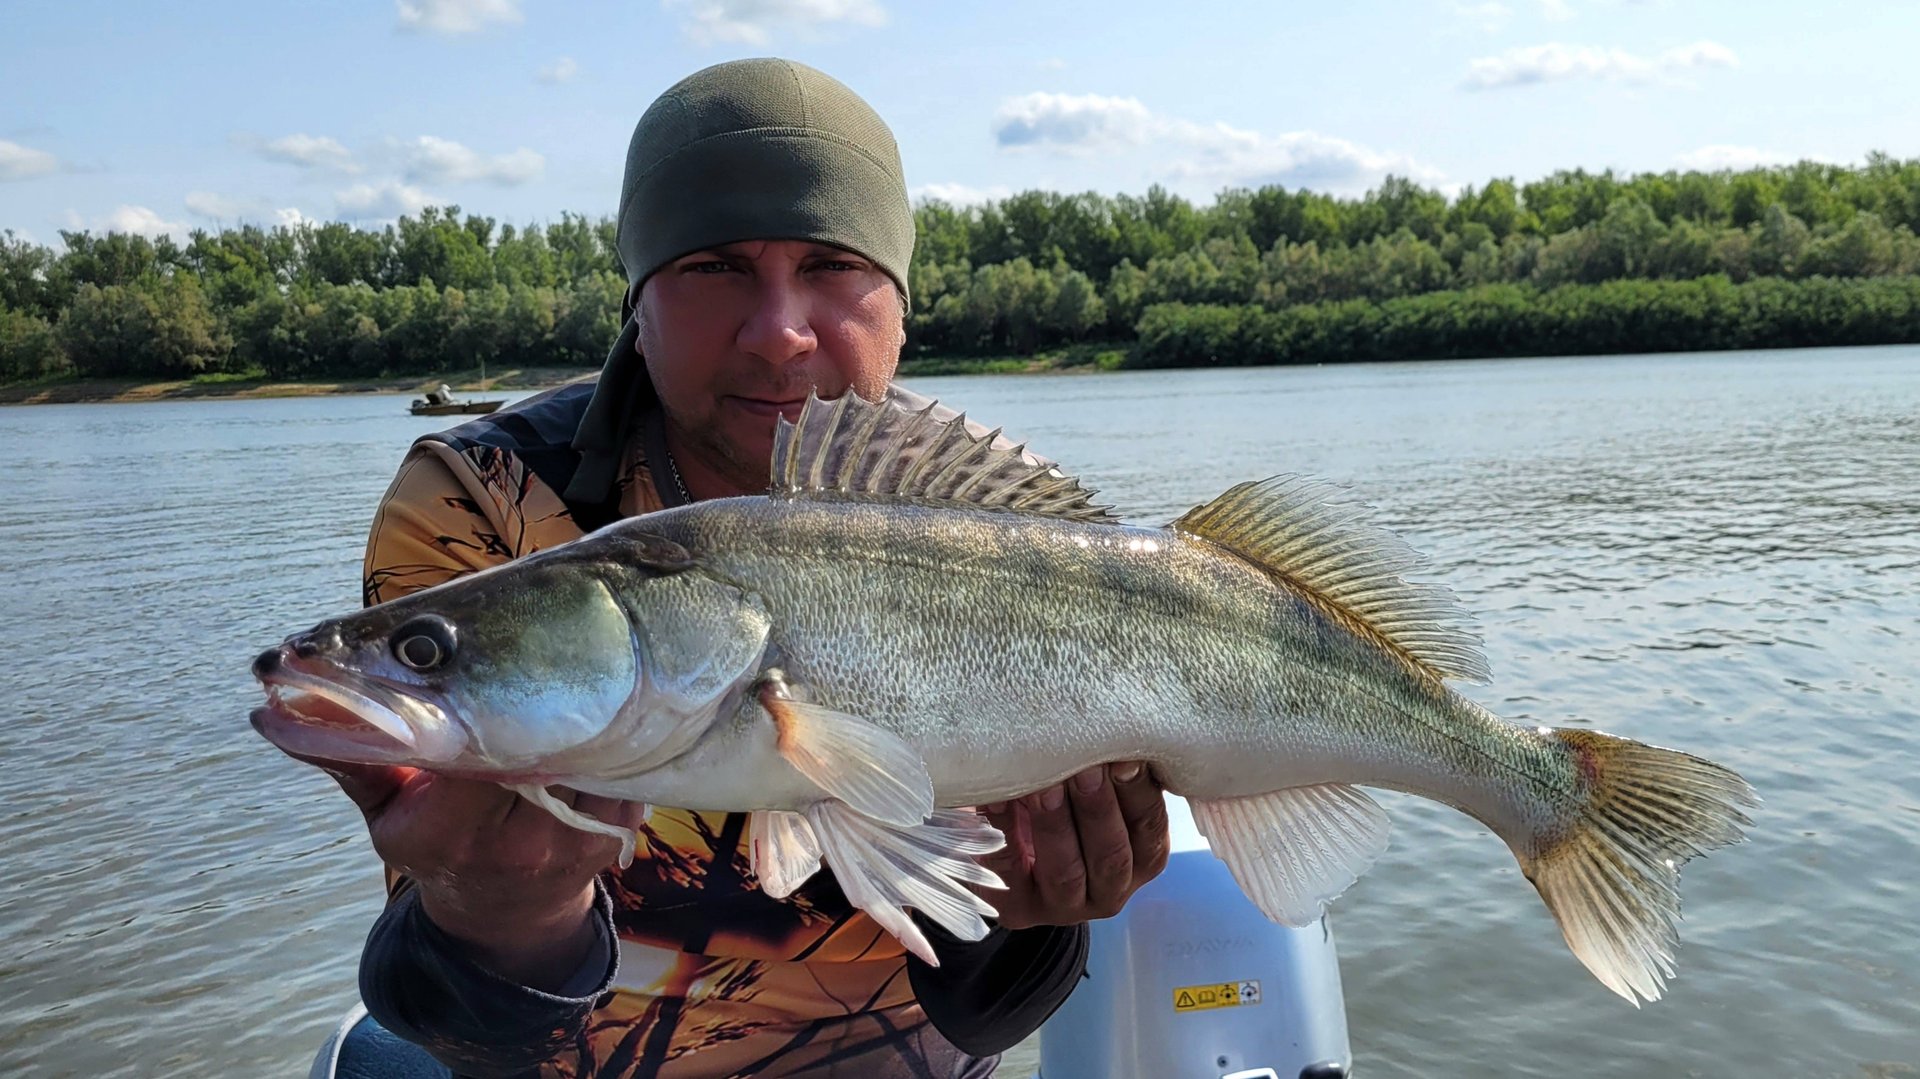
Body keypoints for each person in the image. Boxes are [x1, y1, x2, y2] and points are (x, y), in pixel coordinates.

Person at [316, 58, 1171, 1078]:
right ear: (638, 300)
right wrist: (500, 910)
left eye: (834, 265)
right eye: (714, 266)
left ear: (901, 304)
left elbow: (989, 1017)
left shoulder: (993, 517)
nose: (780, 334)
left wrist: (1029, 914)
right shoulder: (484, 500)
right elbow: (459, 1016)